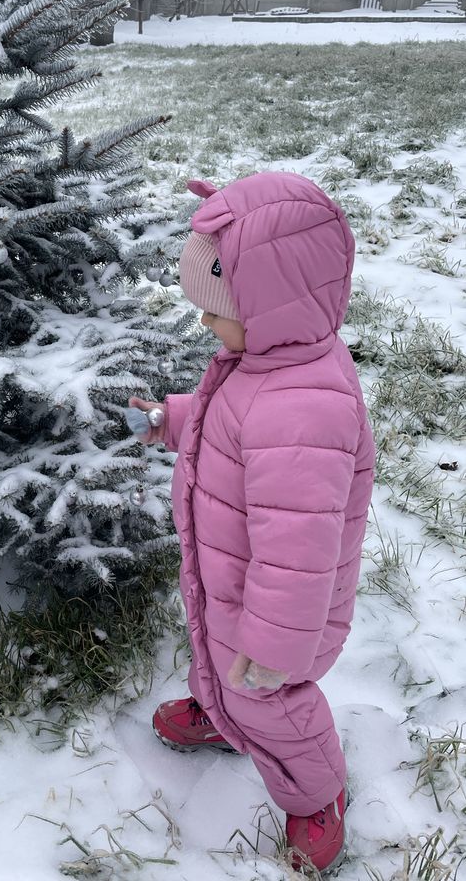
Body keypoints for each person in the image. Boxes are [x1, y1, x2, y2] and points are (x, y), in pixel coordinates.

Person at [128, 171, 375, 875]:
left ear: (274, 302)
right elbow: (226, 427)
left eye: (214, 309)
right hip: (230, 577)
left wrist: (275, 645)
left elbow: (300, 551)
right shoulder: (262, 359)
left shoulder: (306, 406)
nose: (204, 323)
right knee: (217, 653)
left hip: (280, 616)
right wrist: (170, 419)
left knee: (275, 701)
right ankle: (224, 712)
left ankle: (316, 793)